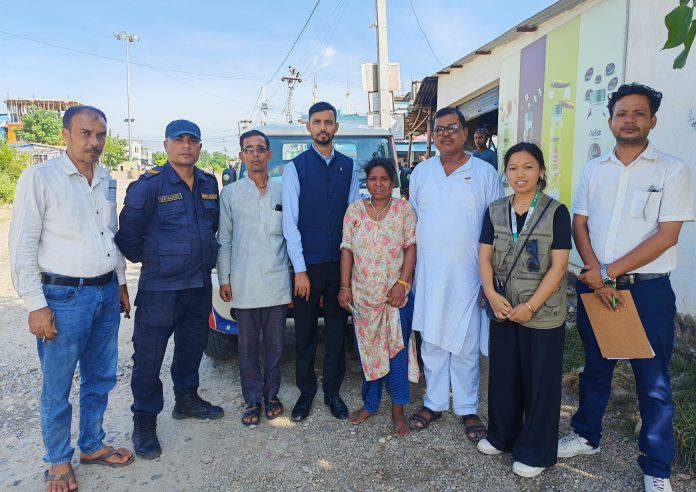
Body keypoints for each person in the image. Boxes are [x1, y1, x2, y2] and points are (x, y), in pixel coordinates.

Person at [557, 83, 694, 492]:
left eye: (638, 113)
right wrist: (596, 273)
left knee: (652, 382)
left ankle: (657, 468)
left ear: (653, 120)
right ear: (610, 120)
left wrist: (608, 273)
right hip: (596, 287)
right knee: (596, 369)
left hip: (647, 291)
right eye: (622, 113)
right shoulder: (594, 169)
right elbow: (580, 223)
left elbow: (667, 235)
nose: (629, 120)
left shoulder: (671, 169)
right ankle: (586, 436)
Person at [9, 105, 134, 492]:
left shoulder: (106, 178)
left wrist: (120, 283)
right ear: (65, 135)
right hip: (62, 297)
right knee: (57, 385)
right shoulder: (41, 177)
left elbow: (110, 234)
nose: (94, 142)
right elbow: (22, 244)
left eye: (100, 135)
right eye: (85, 133)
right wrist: (36, 304)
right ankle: (58, 460)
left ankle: (92, 445)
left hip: (104, 293)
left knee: (101, 377)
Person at [116, 119, 223, 460]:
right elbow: (128, 237)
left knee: (192, 347)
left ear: (200, 147)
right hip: (161, 288)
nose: (186, 146)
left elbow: (211, 226)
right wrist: (157, 259)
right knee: (149, 358)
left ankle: (186, 400)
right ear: (166, 145)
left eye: (193, 140)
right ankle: (144, 421)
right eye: (179, 140)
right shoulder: (149, 185)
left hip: (198, 284)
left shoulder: (208, 182)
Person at [407, 107, 504, 439]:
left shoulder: (484, 173)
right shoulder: (421, 173)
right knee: (432, 340)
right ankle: (433, 403)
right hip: (429, 273)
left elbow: (497, 226)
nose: (445, 134)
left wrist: (490, 281)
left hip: (470, 275)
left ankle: (467, 408)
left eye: (452, 128)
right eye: (439, 129)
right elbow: (413, 222)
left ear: (465, 132)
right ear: (432, 136)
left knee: (465, 343)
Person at [477, 142, 571, 478]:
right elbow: (484, 256)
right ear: (506, 173)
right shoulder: (495, 210)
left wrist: (531, 306)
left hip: (542, 313)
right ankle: (502, 435)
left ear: (541, 171)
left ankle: (535, 452)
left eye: (528, 167)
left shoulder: (556, 212)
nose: (520, 174)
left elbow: (559, 266)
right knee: (504, 376)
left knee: (540, 382)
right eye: (513, 167)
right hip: (503, 307)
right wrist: (491, 294)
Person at [282, 101, 360, 422]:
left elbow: (353, 219)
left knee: (337, 331)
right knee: (304, 332)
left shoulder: (349, 167)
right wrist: (300, 270)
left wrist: (349, 272)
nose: (323, 127)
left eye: (328, 122)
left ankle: (332, 392)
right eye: (317, 122)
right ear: (309, 126)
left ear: (336, 127)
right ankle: (306, 392)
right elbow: (290, 223)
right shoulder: (295, 168)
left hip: (339, 264)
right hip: (308, 267)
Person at [337, 157, 418, 437]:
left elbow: (410, 247)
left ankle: (398, 412)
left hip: (396, 298)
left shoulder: (403, 209)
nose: (379, 184)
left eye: (384, 179)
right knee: (369, 354)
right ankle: (370, 404)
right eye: (373, 179)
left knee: (397, 355)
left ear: (393, 182)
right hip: (364, 298)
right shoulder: (355, 211)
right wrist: (345, 287)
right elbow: (347, 249)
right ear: (367, 182)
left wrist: (402, 283)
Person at [217, 129, 291, 426]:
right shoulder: (230, 193)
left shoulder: (284, 190)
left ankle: (271, 394)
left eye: (261, 149)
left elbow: (292, 235)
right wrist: (225, 278)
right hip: (244, 282)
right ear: (241, 156)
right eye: (249, 149)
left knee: (275, 345)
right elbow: (224, 239)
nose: (256, 154)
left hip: (276, 280)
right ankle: (251, 398)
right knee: (246, 347)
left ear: (269, 155)